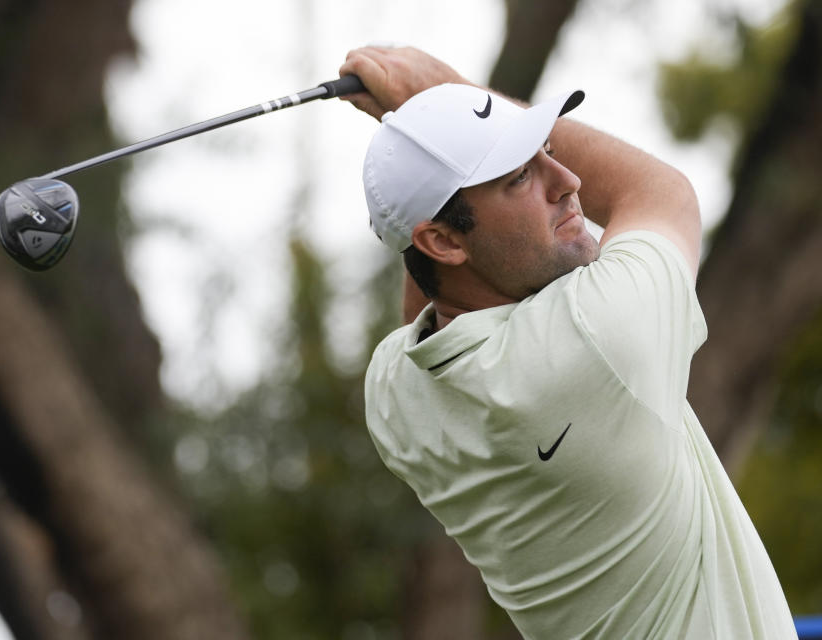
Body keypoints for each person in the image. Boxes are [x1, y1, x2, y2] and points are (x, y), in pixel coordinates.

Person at [339, 46, 797, 639]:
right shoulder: (595, 338)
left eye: (547, 152)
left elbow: (430, 291)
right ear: (445, 242)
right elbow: (663, 194)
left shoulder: (393, 398)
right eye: (520, 176)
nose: (569, 181)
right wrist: (445, 92)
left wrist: (430, 130)